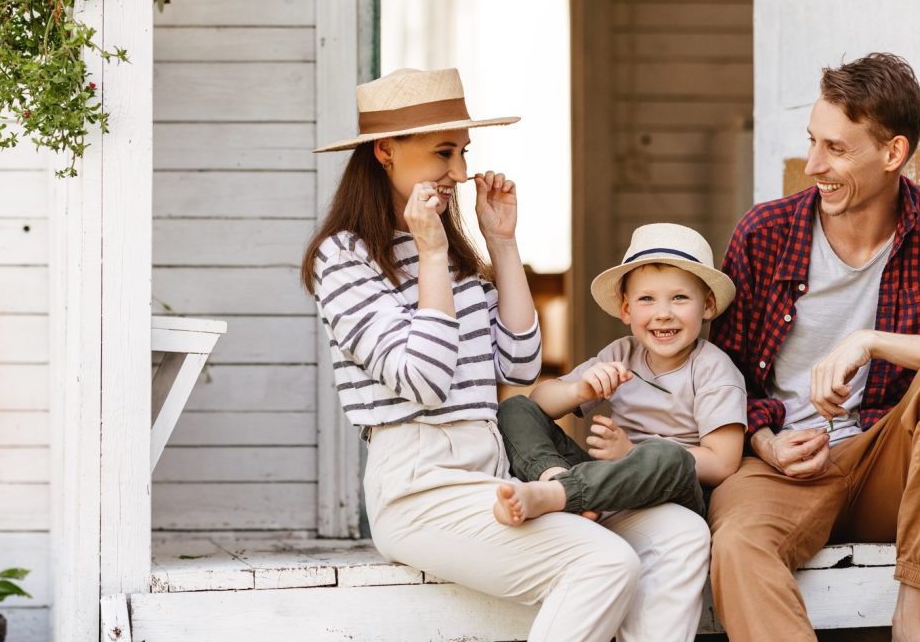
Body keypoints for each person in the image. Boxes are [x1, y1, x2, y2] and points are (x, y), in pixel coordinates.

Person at [303, 67, 710, 642]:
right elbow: (422, 377)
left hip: (495, 469)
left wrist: (502, 241)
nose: (461, 173)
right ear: (386, 151)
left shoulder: (453, 255)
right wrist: (431, 253)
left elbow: (518, 364)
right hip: (422, 488)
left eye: (464, 152)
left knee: (680, 534)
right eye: (444, 153)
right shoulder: (343, 257)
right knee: (603, 561)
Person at [705, 53, 920, 642]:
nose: (812, 165)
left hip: (892, 469)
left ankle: (911, 619)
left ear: (893, 153)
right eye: (812, 142)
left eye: (835, 149)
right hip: (784, 468)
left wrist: (871, 342)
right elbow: (724, 377)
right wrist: (767, 441)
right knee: (735, 543)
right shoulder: (765, 233)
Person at [493, 223, 747, 526]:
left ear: (707, 305)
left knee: (669, 456)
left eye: (679, 298)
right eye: (646, 299)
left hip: (673, 489)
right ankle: (557, 481)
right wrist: (580, 391)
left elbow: (723, 462)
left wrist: (630, 453)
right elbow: (540, 401)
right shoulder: (621, 354)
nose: (663, 312)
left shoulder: (713, 369)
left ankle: (560, 494)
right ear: (626, 309)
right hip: (605, 481)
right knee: (515, 408)